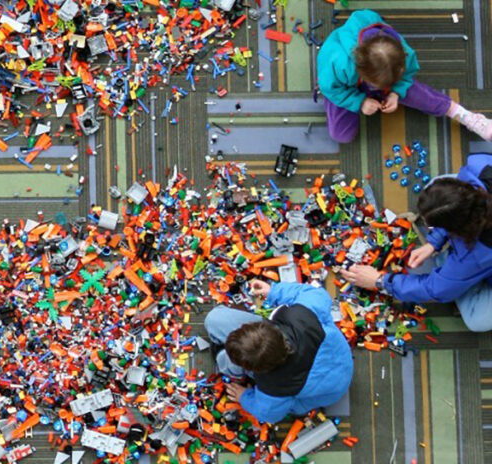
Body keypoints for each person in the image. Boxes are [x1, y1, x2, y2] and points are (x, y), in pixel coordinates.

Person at [341, 153, 492, 331]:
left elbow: (436, 290)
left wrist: (379, 281)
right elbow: (466, 208)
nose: (427, 225)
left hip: (481, 257)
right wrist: (433, 242)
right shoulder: (481, 166)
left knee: (477, 320)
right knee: (437, 184)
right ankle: (456, 269)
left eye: (435, 225)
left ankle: (458, 273)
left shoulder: (474, 254)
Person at [317, 9, 492, 144]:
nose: (379, 92)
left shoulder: (404, 54)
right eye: (377, 87)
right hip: (344, 87)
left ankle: (466, 116)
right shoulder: (339, 64)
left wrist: (396, 92)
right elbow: (331, 89)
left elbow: (407, 76)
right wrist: (360, 102)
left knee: (419, 93)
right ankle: (366, 91)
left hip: (380, 74)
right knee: (342, 135)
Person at [204, 281, 353, 423]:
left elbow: (269, 414)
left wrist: (244, 397)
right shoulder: (301, 316)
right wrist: (274, 291)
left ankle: (228, 362)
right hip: (338, 359)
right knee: (213, 319)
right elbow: (317, 294)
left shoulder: (275, 387)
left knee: (226, 362)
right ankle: (227, 354)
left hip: (325, 391)